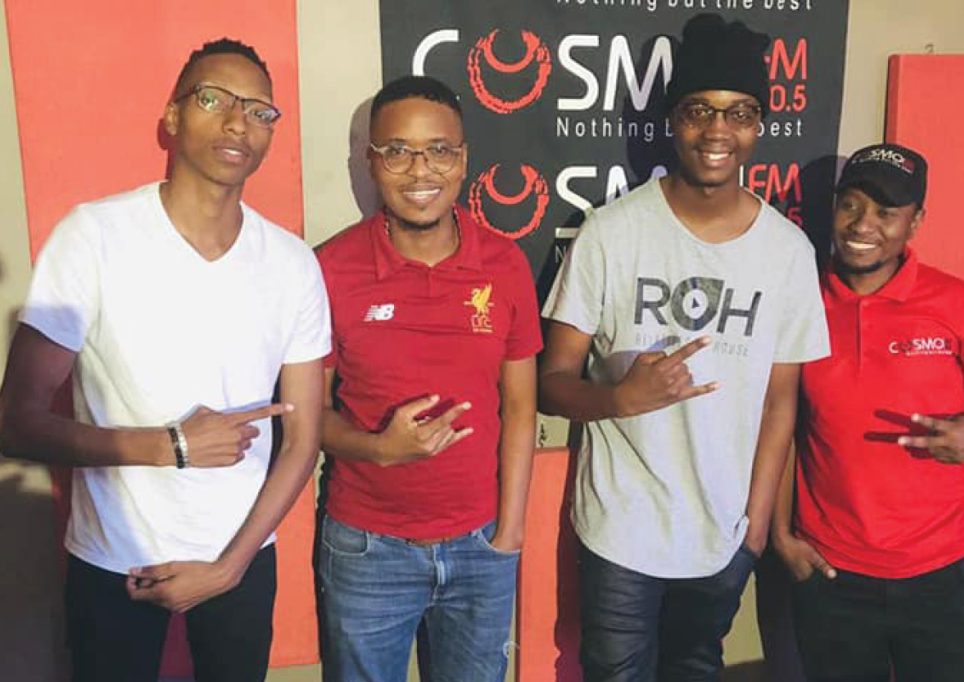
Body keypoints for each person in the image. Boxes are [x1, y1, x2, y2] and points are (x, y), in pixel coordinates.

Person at [0, 38, 330, 682]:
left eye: (259, 110)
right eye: (214, 99)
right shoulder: (93, 237)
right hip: (114, 560)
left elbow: (302, 440)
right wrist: (171, 445)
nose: (238, 121)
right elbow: (16, 423)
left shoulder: (292, 263)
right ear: (173, 116)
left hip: (241, 560)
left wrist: (230, 567)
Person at [538, 13, 830, 682]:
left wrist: (757, 522)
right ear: (673, 120)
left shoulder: (787, 252)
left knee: (697, 668)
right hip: (622, 530)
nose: (718, 130)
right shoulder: (611, 232)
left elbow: (781, 403)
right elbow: (552, 380)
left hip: (723, 534)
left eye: (739, 113)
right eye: (700, 110)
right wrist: (620, 399)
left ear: (758, 126)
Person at [315, 75, 541, 682]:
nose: (420, 170)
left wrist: (510, 532)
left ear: (463, 159)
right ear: (372, 161)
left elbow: (522, 407)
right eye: (398, 151)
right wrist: (378, 449)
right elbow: (305, 416)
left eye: (439, 150)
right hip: (367, 549)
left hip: (481, 546)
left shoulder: (505, 263)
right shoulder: (331, 269)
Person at [770, 142, 964, 682]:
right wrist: (781, 537)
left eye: (886, 212)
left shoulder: (955, 302)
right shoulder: (801, 302)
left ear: (915, 222)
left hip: (942, 577)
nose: (863, 225)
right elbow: (778, 428)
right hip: (833, 576)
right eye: (851, 205)